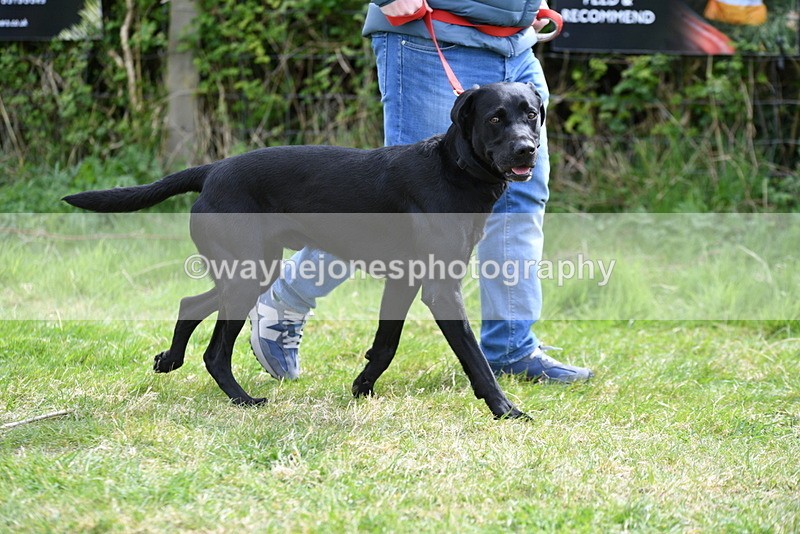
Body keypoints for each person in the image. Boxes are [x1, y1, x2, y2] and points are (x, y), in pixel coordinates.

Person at [249, 0, 594, 383]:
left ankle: (510, 346)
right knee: (383, 210)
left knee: (520, 195)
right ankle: (284, 304)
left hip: (515, 43)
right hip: (431, 38)